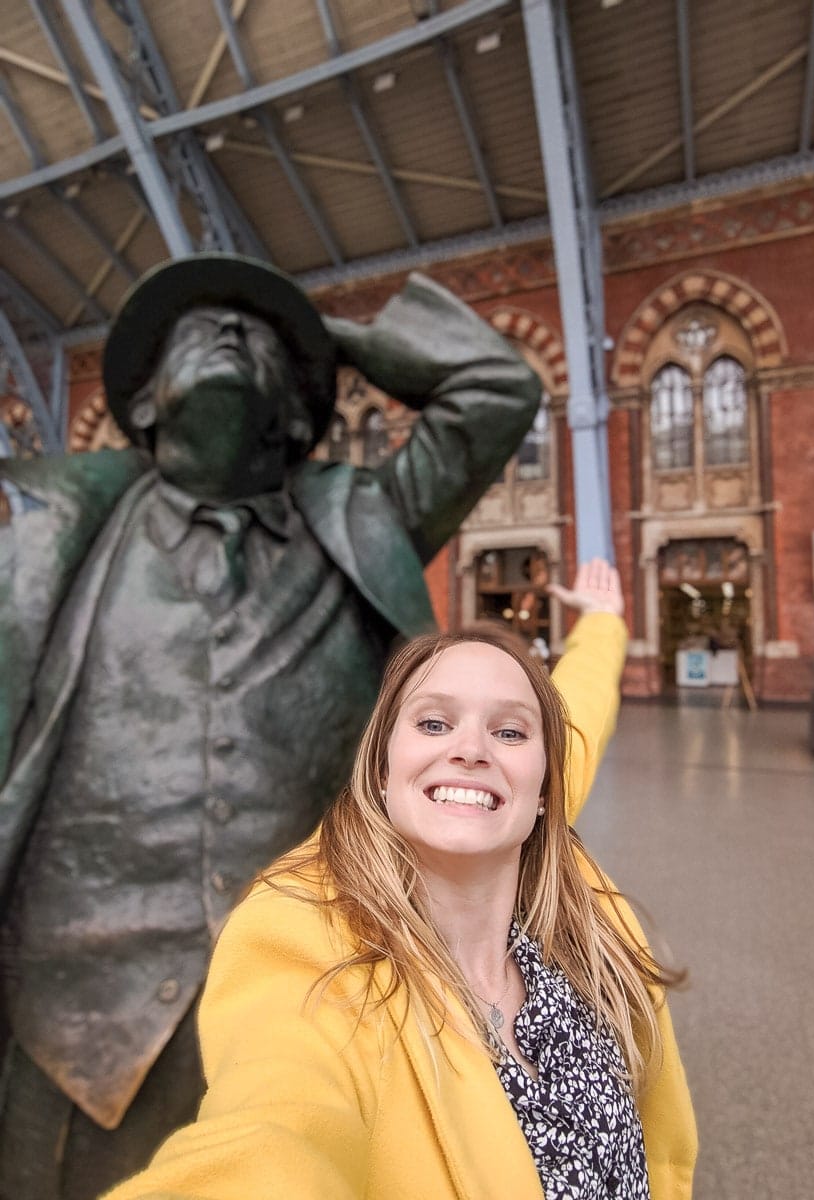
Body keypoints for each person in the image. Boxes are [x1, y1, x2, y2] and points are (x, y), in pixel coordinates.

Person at [0, 253, 542, 1199]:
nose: (227, 334)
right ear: (144, 410)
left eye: (255, 339)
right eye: (194, 333)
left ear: (298, 418)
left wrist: (334, 339)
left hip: (305, 989)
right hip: (71, 1005)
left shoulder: (364, 519)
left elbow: (496, 389)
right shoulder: (48, 527)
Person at [103, 560, 697, 1200]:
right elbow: (274, 1126)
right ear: (383, 766)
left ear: (547, 783)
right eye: (434, 723)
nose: (471, 750)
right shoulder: (305, 929)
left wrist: (604, 622)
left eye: (510, 731)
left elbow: (581, 697)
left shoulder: (559, 878)